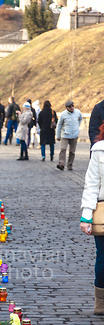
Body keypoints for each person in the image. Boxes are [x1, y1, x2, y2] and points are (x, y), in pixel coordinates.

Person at [80, 123, 104, 314]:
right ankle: (101, 303)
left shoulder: (99, 149)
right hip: (103, 210)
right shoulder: (99, 149)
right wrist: (86, 216)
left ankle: (101, 303)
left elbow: (92, 184)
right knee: (103, 258)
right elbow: (92, 183)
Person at [56, 100, 83, 171]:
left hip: (74, 135)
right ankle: (61, 164)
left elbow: (80, 119)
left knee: (72, 151)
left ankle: (70, 165)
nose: (72, 107)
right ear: (66, 108)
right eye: (70, 106)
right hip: (65, 135)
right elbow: (59, 125)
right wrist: (58, 135)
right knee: (63, 149)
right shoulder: (63, 114)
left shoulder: (78, 112)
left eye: (72, 105)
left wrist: (77, 127)